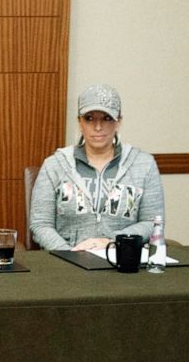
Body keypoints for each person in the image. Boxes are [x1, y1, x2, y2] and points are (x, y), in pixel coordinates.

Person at [29, 84, 164, 250]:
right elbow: (40, 225)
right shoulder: (54, 165)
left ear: (118, 122)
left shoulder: (143, 164)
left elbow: (152, 222)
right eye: (89, 118)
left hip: (122, 260)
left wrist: (112, 242)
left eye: (106, 118)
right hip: (66, 263)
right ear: (80, 122)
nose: (98, 127)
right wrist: (69, 254)